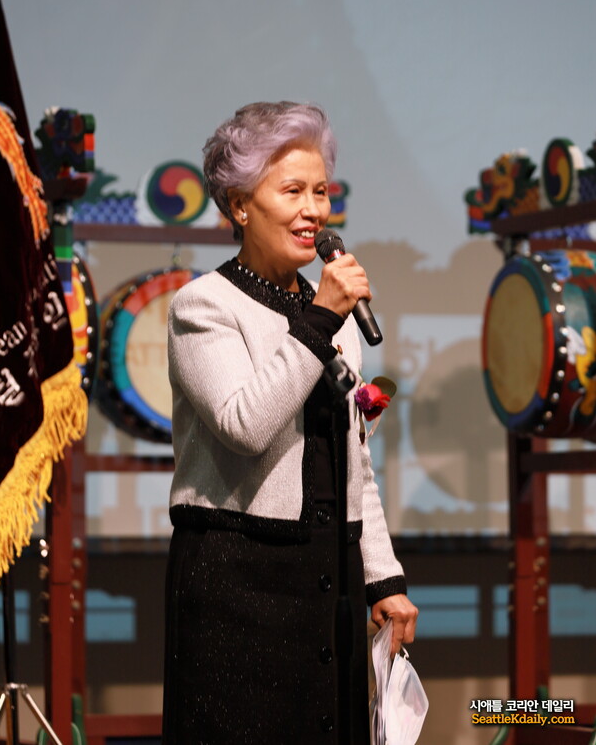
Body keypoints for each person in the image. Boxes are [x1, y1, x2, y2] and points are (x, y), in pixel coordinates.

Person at [163, 101, 418, 744]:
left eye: (322, 191)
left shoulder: (327, 311)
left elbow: (355, 462)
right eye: (293, 191)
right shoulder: (203, 307)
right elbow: (245, 425)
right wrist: (321, 320)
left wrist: (382, 579)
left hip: (327, 580)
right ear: (240, 205)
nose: (313, 209)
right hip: (238, 583)